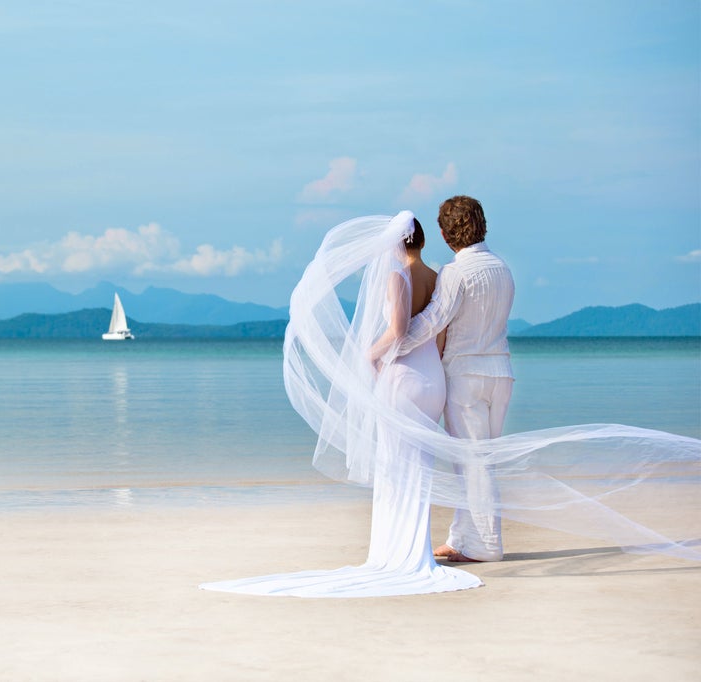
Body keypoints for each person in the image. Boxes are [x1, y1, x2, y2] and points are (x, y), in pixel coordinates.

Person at [200, 209, 700, 599]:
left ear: (397, 242)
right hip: (483, 373)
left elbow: (417, 328)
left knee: (426, 464)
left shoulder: (422, 277)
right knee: (465, 462)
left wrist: (371, 356)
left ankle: (435, 548)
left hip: (431, 375)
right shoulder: (480, 271)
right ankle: (458, 541)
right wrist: (425, 358)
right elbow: (444, 331)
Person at [397, 195, 514, 562]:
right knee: (481, 459)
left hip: (466, 376)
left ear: (447, 235)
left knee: (472, 464)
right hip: (501, 373)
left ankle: (486, 547)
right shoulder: (502, 268)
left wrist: (394, 345)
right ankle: (463, 538)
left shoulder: (455, 273)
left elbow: (434, 320)